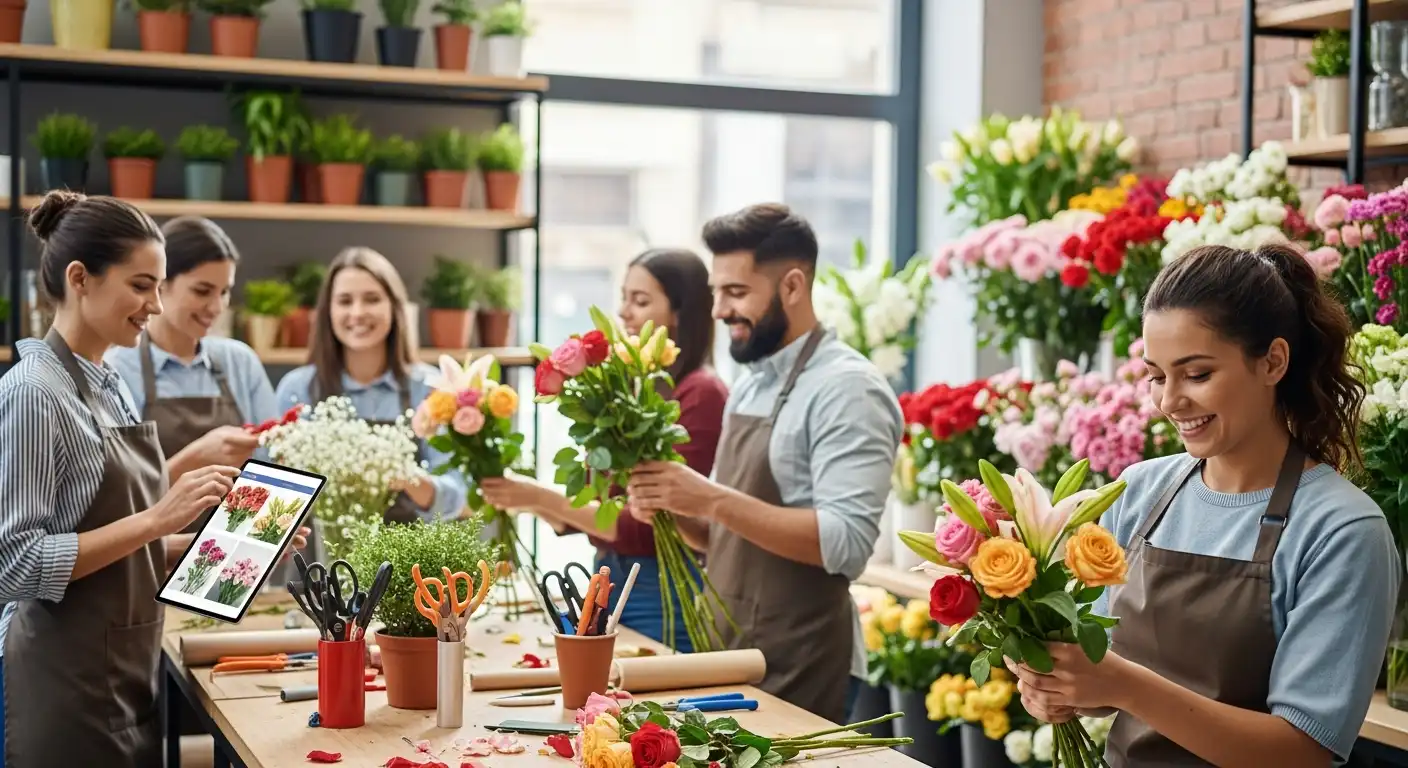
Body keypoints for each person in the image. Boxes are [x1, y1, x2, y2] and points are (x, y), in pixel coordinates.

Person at [1009, 243, 1401, 767]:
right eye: (1156, 375)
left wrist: (1126, 686)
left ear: (1273, 362)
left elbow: (1303, 752)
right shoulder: (1139, 494)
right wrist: (1058, 687)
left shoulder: (1342, 531)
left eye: (1196, 375)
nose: (1170, 401)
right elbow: (1102, 677)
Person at [0, 191, 303, 766]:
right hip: (61, 685)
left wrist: (226, 548)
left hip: (126, 673)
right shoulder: (33, 393)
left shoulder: (106, 384)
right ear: (80, 278)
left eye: (161, 287)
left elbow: (116, 550)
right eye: (142, 286)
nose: (157, 306)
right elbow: (13, 566)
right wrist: (156, 518)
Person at [624, 203, 903, 722]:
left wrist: (708, 496)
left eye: (736, 293)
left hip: (803, 659)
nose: (717, 311)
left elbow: (845, 544)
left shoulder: (848, 389)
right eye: (715, 292)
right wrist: (676, 511)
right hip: (725, 652)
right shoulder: (752, 380)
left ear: (793, 286)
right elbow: (724, 534)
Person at [478, 248, 729, 650]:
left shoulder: (701, 392)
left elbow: (643, 528)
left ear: (681, 314)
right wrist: (523, 498)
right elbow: (601, 508)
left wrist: (538, 496)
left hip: (659, 589)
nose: (625, 313)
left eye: (641, 301)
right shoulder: (631, 392)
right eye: (624, 297)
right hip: (608, 580)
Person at [105, 216, 278, 533]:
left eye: (225, 292)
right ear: (161, 284)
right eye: (202, 291)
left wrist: (270, 533)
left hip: (234, 559)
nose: (216, 306)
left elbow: (274, 466)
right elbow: (117, 498)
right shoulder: (116, 370)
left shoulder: (239, 362)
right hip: (148, 559)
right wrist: (195, 457)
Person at [273, 246, 468, 524]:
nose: (358, 312)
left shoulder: (429, 388)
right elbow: (276, 494)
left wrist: (409, 479)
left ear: (395, 307)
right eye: (344, 301)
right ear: (328, 311)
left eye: (372, 299)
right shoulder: (297, 388)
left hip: (408, 562)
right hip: (318, 563)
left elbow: (460, 493)